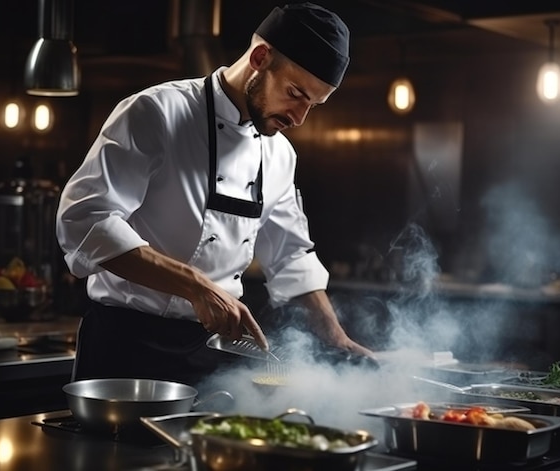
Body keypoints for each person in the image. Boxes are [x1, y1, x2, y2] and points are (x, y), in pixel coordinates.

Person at [56, 2, 374, 386]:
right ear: (260, 57)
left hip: (210, 354)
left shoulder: (279, 155)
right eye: (295, 93)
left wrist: (335, 337)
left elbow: (291, 255)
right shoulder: (156, 112)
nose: (299, 117)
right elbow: (84, 219)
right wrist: (197, 285)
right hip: (125, 345)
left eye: (313, 105)